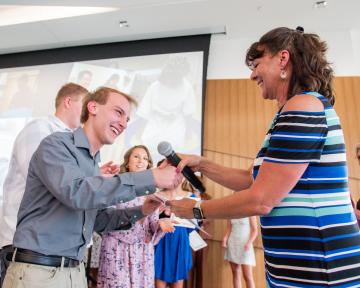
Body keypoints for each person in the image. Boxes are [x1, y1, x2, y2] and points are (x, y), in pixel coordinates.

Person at [169, 27, 360, 287]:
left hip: (319, 266)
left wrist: (197, 209)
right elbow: (252, 179)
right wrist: (203, 164)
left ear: (283, 59)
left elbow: (261, 200)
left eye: (256, 64)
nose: (251, 75)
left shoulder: (303, 106)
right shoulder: (291, 110)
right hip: (299, 265)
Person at [2, 87, 181, 288]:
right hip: (38, 273)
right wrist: (151, 177)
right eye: (118, 112)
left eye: (127, 120)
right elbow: (77, 193)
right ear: (93, 107)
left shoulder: (94, 164)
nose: (123, 123)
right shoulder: (56, 145)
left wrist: (142, 210)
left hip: (75, 272)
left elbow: (101, 220)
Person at [0, 82, 88, 286]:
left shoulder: (73, 140)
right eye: (84, 105)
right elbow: (48, 178)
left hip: (52, 252)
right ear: (68, 102)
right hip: (23, 247)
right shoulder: (39, 129)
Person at [97, 145, 174, 288]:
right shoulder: (115, 184)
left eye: (145, 158)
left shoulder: (151, 191)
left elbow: (152, 225)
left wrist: (160, 224)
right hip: (117, 247)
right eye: (136, 156)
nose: (141, 161)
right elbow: (106, 218)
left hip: (142, 252)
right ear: (127, 162)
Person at [154, 178, 197, 288]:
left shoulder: (191, 197)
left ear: (184, 178)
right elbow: (147, 222)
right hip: (161, 240)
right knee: (158, 276)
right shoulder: (157, 196)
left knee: (178, 281)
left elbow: (193, 227)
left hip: (180, 240)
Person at [222, 216, 257, 288]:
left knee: (247, 276)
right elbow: (229, 228)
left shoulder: (250, 211)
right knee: (235, 273)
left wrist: (249, 242)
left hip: (245, 244)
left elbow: (255, 230)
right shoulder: (231, 212)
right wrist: (225, 239)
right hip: (232, 243)